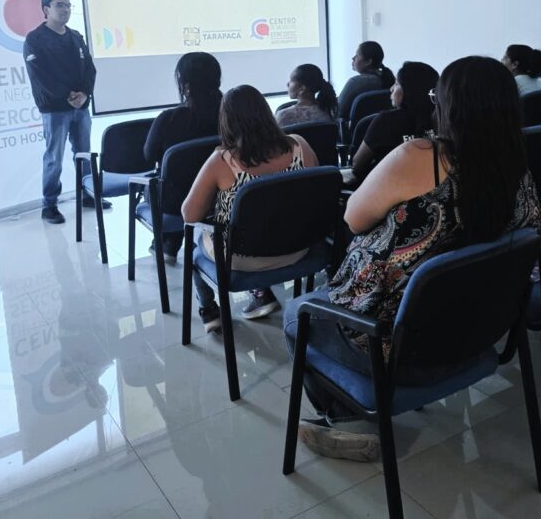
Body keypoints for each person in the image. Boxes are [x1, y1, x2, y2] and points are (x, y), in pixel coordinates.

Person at [287, 57, 541, 461]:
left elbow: (353, 219)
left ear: (450, 106)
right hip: (475, 334)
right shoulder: (518, 169)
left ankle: (348, 419)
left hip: (398, 348)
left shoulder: (419, 156)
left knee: (295, 314)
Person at [182, 85, 319, 332]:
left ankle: (209, 311)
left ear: (227, 122)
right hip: (299, 248)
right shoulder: (301, 147)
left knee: (193, 241)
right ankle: (260, 293)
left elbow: (189, 214)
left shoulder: (222, 161)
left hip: (244, 259)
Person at [23, 0, 100, 225]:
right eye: (60, 5)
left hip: (81, 107)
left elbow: (90, 69)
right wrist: (67, 96)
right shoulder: (35, 39)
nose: (65, 9)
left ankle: (87, 195)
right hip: (55, 109)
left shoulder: (76, 36)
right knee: (54, 158)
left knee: (84, 153)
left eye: (68, 5)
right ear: (46, 9)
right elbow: (40, 76)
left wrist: (84, 93)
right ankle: (49, 205)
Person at [143, 52, 223, 259]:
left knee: (164, 182)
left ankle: (168, 242)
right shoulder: (232, 115)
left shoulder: (168, 119)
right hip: (223, 195)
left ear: (186, 85)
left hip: (176, 203)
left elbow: (149, 155)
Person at [350, 61, 438, 182]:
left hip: (387, 189)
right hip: (435, 189)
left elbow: (357, 165)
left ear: (409, 90)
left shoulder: (386, 121)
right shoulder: (443, 119)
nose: (391, 89)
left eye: (396, 84)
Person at [336, 41, 397, 121]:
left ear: (368, 62)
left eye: (357, 55)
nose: (353, 58)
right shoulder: (388, 79)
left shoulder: (355, 82)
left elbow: (337, 112)